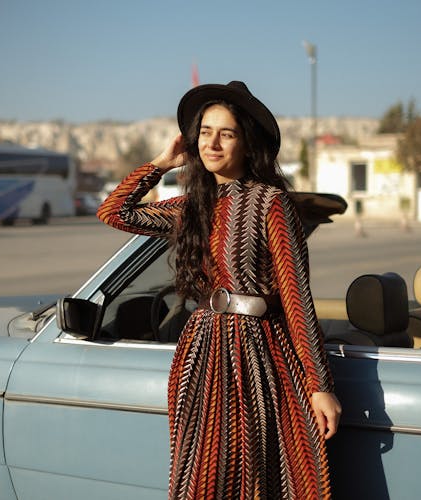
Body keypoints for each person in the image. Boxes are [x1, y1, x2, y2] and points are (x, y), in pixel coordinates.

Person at [98, 81, 341, 499]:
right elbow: (113, 212)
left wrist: (319, 384)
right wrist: (160, 164)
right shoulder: (192, 206)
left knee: (247, 475)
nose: (212, 143)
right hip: (201, 352)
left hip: (255, 353)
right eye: (205, 132)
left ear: (247, 144)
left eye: (226, 133)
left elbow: (296, 296)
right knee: (201, 474)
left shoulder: (270, 203)